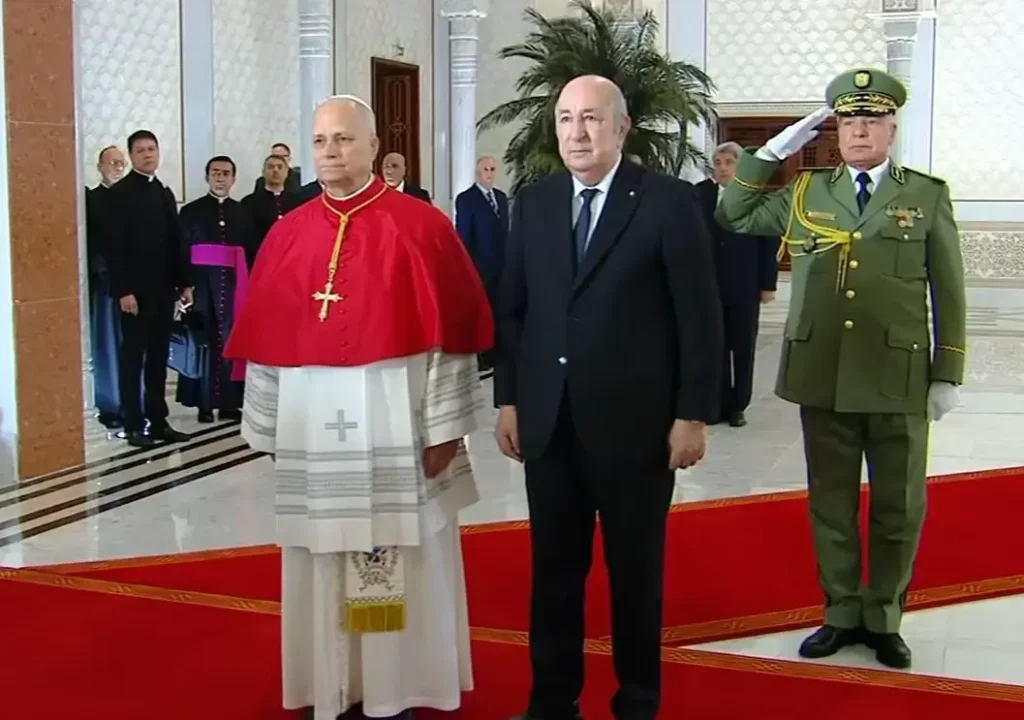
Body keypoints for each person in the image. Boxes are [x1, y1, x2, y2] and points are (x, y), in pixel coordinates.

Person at [224, 94, 493, 720]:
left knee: (391, 552)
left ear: (373, 146)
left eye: (343, 139)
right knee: (322, 553)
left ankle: (389, 687)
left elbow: (451, 335)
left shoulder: (422, 227)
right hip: (314, 429)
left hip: (397, 423)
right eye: (320, 140)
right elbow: (265, 338)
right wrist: (270, 424)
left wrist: (445, 428)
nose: (330, 152)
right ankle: (333, 681)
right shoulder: (288, 233)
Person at [716, 67, 967, 670]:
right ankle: (841, 612)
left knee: (898, 506)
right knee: (831, 504)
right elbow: (734, 213)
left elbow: (949, 289)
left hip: (898, 375)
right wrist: (770, 152)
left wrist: (947, 371)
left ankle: (884, 618)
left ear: (891, 129)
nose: (859, 130)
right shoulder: (807, 192)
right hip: (823, 373)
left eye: (871, 120)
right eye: (849, 120)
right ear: (836, 130)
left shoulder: (925, 195)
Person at [494, 75, 723, 720]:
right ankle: (552, 701)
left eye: (591, 118)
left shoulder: (667, 202)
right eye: (566, 119)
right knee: (554, 573)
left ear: (621, 128)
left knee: (635, 575)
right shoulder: (534, 203)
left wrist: (692, 414)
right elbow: (513, 310)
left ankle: (638, 701)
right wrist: (509, 399)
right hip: (549, 424)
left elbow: (699, 317)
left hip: (637, 428)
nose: (577, 132)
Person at [107, 129, 191, 448]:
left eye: (152, 149)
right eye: (141, 150)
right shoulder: (120, 194)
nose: (147, 155)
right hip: (135, 294)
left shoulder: (163, 192)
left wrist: (184, 283)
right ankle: (132, 424)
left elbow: (176, 241)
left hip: (164, 289)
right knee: (133, 358)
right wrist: (123, 291)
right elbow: (115, 248)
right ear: (131, 155)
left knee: (158, 357)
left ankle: (158, 421)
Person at [696, 141, 781, 427]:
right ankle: (717, 404)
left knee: (742, 347)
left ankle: (738, 405)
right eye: (718, 163)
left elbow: (768, 243)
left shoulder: (755, 197)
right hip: (708, 285)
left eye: (729, 163)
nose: (722, 168)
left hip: (744, 284)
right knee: (714, 347)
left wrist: (768, 284)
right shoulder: (699, 195)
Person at [175, 155, 255, 423]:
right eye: (215, 173)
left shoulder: (242, 212)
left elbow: (252, 251)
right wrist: (184, 285)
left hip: (234, 285)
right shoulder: (190, 211)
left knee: (232, 340)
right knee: (205, 342)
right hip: (201, 285)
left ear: (234, 178)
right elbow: (181, 250)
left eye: (226, 173)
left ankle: (230, 403)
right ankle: (204, 404)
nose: (220, 178)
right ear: (207, 177)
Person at [85, 145, 127, 430]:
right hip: (106, 285)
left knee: (134, 348)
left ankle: (134, 401)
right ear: (100, 167)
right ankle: (110, 404)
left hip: (135, 284)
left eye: (121, 163)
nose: (117, 168)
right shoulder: (91, 199)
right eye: (111, 163)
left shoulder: (132, 198)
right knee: (107, 345)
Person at [454, 156, 509, 373]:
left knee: (499, 310)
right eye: (485, 169)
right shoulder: (466, 199)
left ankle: (496, 353)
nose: (489, 173)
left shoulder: (501, 198)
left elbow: (506, 232)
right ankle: (481, 355)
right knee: (480, 313)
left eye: (492, 169)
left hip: (501, 267)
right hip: (479, 267)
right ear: (477, 173)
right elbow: (463, 237)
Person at [241, 154, 303, 262]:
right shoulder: (249, 202)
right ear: (263, 172)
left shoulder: (299, 201)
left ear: (287, 172)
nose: (275, 170)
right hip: (261, 258)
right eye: (271, 167)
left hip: (293, 259)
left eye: (280, 167)